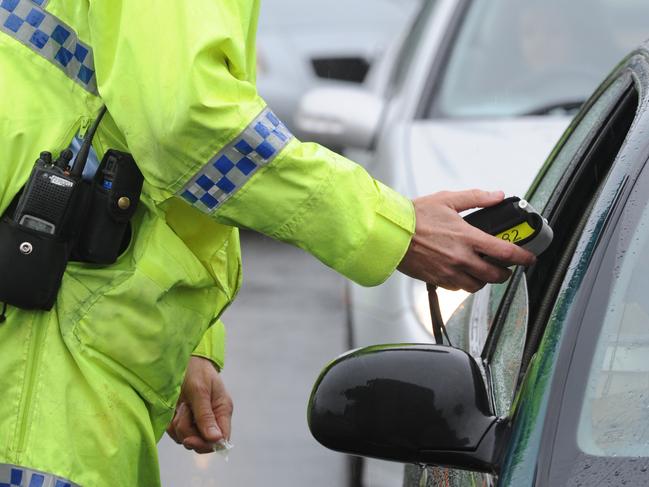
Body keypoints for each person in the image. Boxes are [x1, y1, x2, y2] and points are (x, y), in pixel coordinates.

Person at [0, 0, 534, 485]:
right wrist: (396, 229)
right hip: (45, 337)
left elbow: (151, 130)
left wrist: (192, 342)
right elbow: (188, 125)